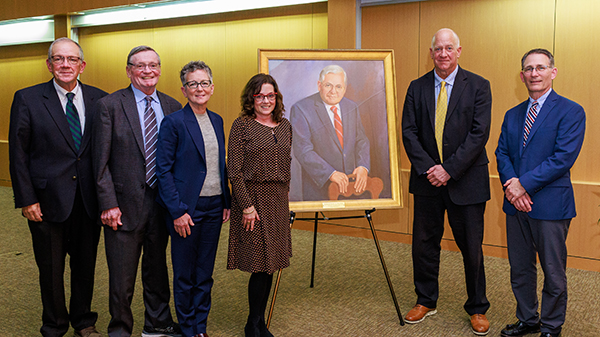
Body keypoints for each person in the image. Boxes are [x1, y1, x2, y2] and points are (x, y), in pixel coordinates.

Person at [8, 37, 107, 337]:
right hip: (46, 201)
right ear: (49, 64)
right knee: (50, 270)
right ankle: (54, 325)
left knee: (85, 266)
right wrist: (27, 199)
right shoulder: (27, 98)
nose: (66, 64)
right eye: (59, 59)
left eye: (72, 59)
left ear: (82, 65)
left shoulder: (99, 99)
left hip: (88, 200)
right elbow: (18, 153)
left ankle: (84, 321)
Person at [401, 28, 492, 335]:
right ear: (431, 53)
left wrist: (449, 170)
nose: (442, 53)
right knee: (424, 245)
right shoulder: (416, 87)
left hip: (466, 180)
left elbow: (479, 134)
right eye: (437, 48)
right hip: (427, 181)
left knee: (471, 247)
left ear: (458, 51)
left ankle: (478, 307)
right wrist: (431, 169)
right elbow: (409, 132)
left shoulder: (479, 86)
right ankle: (425, 300)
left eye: (448, 48)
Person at [92, 46, 182, 337]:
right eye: (140, 66)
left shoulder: (172, 106)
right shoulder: (110, 105)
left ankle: (157, 323)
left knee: (157, 268)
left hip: (161, 202)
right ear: (128, 70)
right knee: (122, 275)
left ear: (160, 69)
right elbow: (100, 161)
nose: (147, 71)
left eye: (153, 65)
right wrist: (108, 204)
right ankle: (120, 329)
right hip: (123, 205)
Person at [495, 49, 585, 337]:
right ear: (522, 75)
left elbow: (563, 158)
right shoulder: (512, 114)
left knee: (553, 272)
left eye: (540, 67)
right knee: (520, 269)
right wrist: (512, 186)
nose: (534, 73)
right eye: (529, 69)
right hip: (515, 204)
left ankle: (551, 325)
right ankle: (528, 319)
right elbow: (502, 153)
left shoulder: (571, 111)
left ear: (552, 72)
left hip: (550, 205)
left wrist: (524, 184)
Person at [156, 61, 231, 337]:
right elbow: (162, 171)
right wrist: (177, 211)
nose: (199, 89)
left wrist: (226, 201)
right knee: (185, 274)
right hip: (186, 209)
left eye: (203, 83)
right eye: (192, 84)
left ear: (211, 87)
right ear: (184, 90)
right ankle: (188, 328)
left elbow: (219, 165)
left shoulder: (218, 120)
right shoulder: (173, 122)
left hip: (214, 207)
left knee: (204, 273)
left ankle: (201, 327)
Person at [227, 74, 292, 337]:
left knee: (272, 263)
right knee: (258, 264)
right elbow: (234, 171)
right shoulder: (241, 125)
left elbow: (286, 164)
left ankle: (258, 321)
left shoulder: (285, 125)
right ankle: (253, 323)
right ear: (251, 99)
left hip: (278, 201)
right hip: (252, 200)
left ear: (276, 98)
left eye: (270, 95)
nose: (266, 101)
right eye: (260, 96)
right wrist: (246, 206)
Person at [290, 65, 370, 201]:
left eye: (338, 87)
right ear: (319, 85)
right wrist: (330, 173)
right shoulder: (301, 109)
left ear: (344, 89)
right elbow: (303, 150)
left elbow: (361, 140)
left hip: (352, 187)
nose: (333, 91)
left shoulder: (352, 107)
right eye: (328, 85)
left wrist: (363, 166)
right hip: (320, 189)